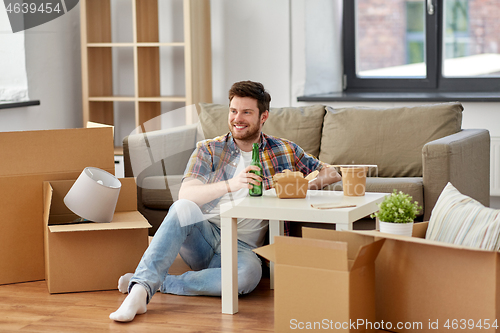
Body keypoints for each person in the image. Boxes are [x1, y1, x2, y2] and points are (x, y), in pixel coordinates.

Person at [109, 80, 341, 322]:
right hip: (206, 236)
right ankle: (139, 293)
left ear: (263, 117)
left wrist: (299, 185)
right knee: (182, 208)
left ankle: (158, 283)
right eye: (233, 111)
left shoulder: (284, 150)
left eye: (246, 112)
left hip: (244, 249)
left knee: (248, 277)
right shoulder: (209, 149)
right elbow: (186, 195)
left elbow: (331, 172)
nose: (237, 118)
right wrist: (232, 184)